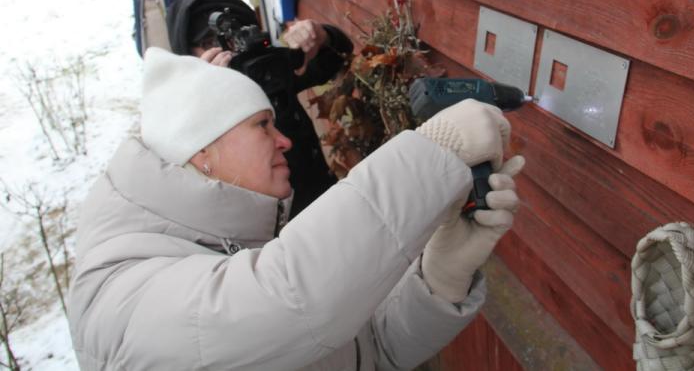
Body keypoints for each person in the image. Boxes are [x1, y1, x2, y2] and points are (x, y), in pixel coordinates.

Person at [67, 49, 525, 370]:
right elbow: (285, 302)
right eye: (262, 125)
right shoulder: (119, 295)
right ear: (201, 148)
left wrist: (440, 277)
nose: (284, 139)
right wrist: (433, 153)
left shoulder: (221, 246)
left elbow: (367, 355)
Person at [167, 0, 353, 218]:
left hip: (324, 201)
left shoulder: (263, 70)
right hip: (267, 237)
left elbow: (336, 59)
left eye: (235, 40)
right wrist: (208, 98)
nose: (227, 52)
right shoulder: (184, 116)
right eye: (210, 43)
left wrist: (321, 36)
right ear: (189, 54)